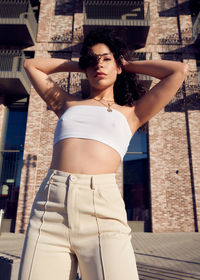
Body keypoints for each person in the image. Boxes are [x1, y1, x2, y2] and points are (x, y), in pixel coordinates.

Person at [18, 29, 188, 280]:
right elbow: (32, 65)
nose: (99, 64)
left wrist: (124, 64)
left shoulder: (132, 113)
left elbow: (178, 71)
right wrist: (85, 64)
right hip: (49, 209)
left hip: (102, 212)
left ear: (118, 66)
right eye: (92, 59)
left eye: (106, 59)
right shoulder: (66, 103)